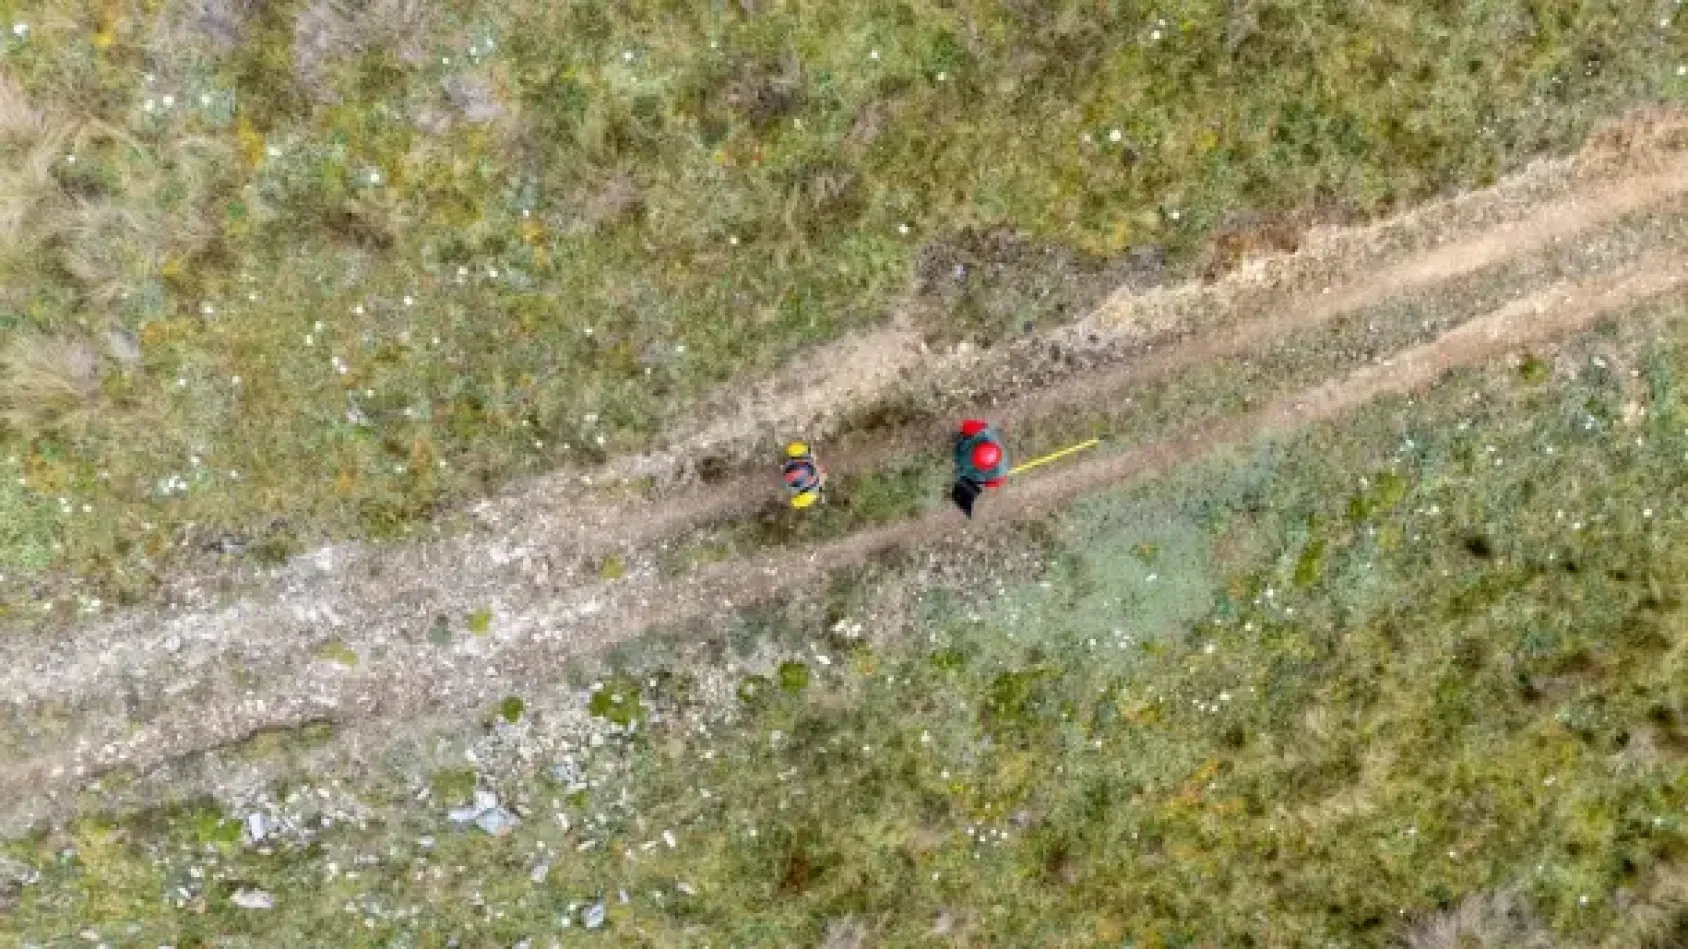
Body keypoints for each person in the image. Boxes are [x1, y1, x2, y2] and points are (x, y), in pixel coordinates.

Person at [951, 419, 1008, 517]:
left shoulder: (999, 474)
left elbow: (992, 486)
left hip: (968, 471)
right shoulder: (978, 430)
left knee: (969, 483)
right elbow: (964, 424)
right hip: (962, 448)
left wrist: (978, 484)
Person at [782, 441, 827, 509]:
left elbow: (791, 447)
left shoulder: (807, 457)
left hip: (789, 467)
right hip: (789, 480)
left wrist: (809, 450)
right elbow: (794, 503)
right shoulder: (812, 494)